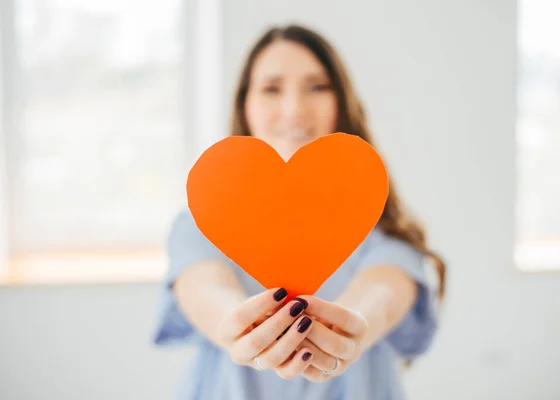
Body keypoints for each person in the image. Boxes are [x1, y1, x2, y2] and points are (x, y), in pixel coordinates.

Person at [153, 23, 446, 400]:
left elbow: (383, 293)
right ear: (245, 102)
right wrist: (236, 325)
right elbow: (204, 289)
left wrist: (352, 329)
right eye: (272, 89)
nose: (295, 109)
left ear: (342, 99)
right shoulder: (200, 221)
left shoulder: (384, 222)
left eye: (318, 87)